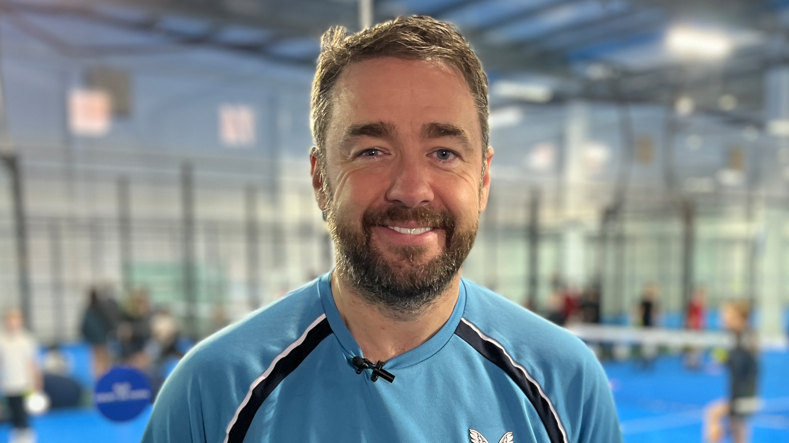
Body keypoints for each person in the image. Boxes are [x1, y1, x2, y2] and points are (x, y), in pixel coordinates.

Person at [143, 16, 621, 443]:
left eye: (444, 153)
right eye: (372, 151)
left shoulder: (565, 381)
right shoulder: (212, 390)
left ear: (484, 179)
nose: (412, 190)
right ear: (320, 179)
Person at [705, 300, 759, 443]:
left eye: (728, 315)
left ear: (739, 319)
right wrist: (723, 360)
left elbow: (744, 367)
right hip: (740, 395)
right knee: (737, 434)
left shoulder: (745, 340)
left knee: (713, 414)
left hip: (744, 397)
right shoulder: (738, 337)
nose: (724, 318)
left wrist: (724, 359)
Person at [0, 308, 42, 443]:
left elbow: (32, 363)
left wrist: (37, 382)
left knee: (24, 413)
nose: (13, 323)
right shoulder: (2, 340)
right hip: (8, 384)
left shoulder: (27, 340)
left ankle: (27, 437)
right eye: (10, 320)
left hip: (25, 384)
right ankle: (16, 436)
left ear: (21, 322)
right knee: (13, 414)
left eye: (16, 320)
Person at [79, 286, 119, 378]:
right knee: (103, 361)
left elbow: (83, 326)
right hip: (100, 339)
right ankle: (103, 379)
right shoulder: (100, 309)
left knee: (99, 361)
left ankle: (102, 379)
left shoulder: (91, 311)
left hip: (97, 340)